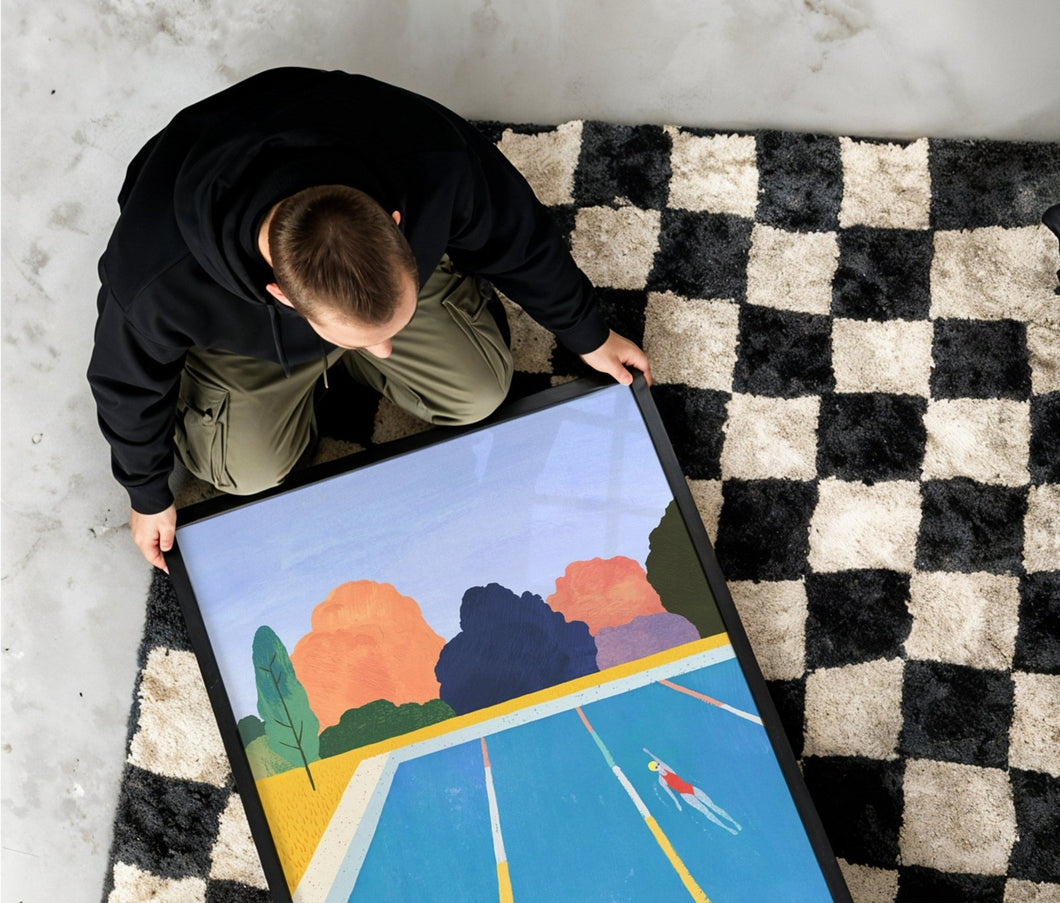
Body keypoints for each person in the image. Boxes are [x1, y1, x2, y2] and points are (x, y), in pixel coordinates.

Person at [87, 67, 652, 571]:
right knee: (245, 474)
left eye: (390, 331)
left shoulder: (432, 154)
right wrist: (146, 492)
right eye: (365, 341)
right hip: (240, 341)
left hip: (366, 245)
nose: (384, 351)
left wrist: (588, 332)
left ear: (398, 223)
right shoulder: (155, 278)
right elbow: (125, 382)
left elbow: (518, 237)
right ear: (282, 297)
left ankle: (380, 315)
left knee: (478, 393)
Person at [645, 751, 741, 834]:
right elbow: (670, 793)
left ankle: (734, 822)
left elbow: (659, 760)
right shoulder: (661, 780)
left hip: (691, 788)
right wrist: (677, 803)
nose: (659, 766)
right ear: (655, 770)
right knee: (706, 812)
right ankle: (727, 828)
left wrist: (648, 753)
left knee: (712, 805)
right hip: (685, 795)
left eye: (658, 765)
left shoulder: (667, 769)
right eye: (657, 767)